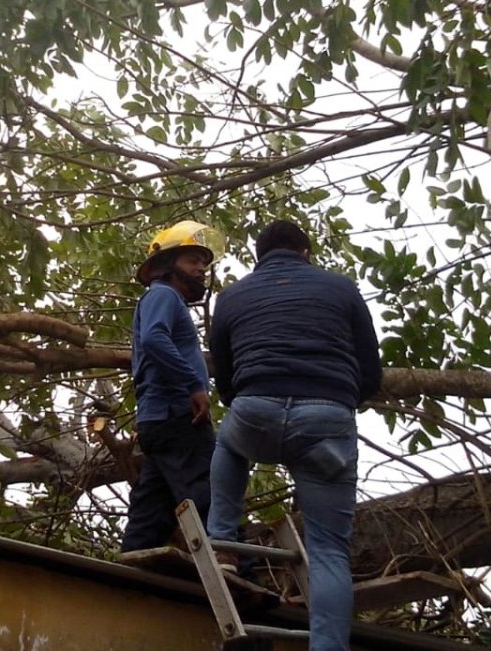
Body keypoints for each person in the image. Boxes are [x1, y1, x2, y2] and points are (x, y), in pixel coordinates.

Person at [206, 220, 382, 651]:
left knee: (228, 441)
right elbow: (370, 373)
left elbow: (225, 379)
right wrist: (339, 398)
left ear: (258, 257)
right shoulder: (342, 289)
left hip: (256, 412)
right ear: (306, 252)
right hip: (326, 421)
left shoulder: (231, 296)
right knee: (328, 552)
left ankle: (225, 544)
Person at [120, 220, 223, 553]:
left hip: (158, 420)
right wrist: (194, 385)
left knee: (151, 510)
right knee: (208, 493)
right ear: (167, 264)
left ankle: (128, 572)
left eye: (204, 264)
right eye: (192, 260)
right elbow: (154, 339)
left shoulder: (161, 298)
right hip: (178, 415)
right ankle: (232, 563)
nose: (201, 269)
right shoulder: (163, 294)